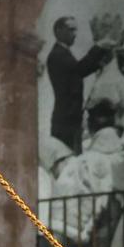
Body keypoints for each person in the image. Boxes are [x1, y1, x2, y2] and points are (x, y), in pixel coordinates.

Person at [45, 16, 113, 154]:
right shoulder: (58, 54)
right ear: (58, 31)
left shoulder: (63, 53)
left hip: (69, 119)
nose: (75, 34)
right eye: (71, 30)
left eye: (75, 30)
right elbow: (79, 70)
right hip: (66, 121)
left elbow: (77, 72)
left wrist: (99, 63)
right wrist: (98, 47)